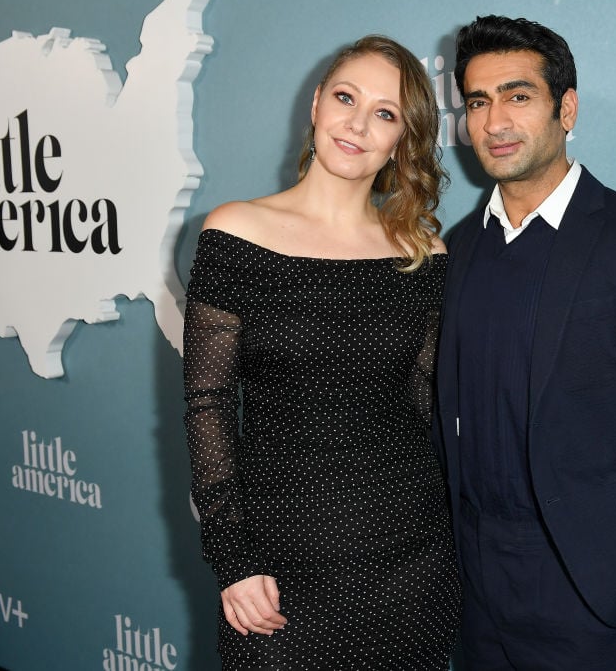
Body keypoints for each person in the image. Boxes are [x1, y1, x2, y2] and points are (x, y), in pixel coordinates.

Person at [433, 15, 616, 669]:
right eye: (478, 102)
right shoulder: (458, 248)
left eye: (518, 95)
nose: (496, 121)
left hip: (583, 580)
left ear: (567, 108)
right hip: (473, 579)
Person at [182, 35, 461, 670]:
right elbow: (208, 407)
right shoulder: (235, 232)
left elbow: (423, 406)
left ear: (403, 138)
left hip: (411, 560)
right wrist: (233, 558)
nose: (357, 125)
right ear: (315, 104)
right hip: (280, 565)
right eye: (345, 98)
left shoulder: (422, 254)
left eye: (385, 113)